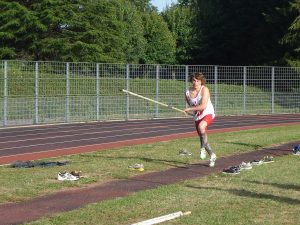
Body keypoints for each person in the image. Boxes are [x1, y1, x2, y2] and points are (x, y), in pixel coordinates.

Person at [184, 72, 216, 167]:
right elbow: (191, 105)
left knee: (202, 126)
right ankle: (212, 155)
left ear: (201, 81)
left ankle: (201, 148)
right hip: (197, 116)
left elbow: (203, 106)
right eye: (194, 80)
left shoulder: (204, 89)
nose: (195, 82)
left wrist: (189, 109)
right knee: (204, 139)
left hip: (208, 113)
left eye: (198, 80)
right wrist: (188, 111)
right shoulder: (187, 92)